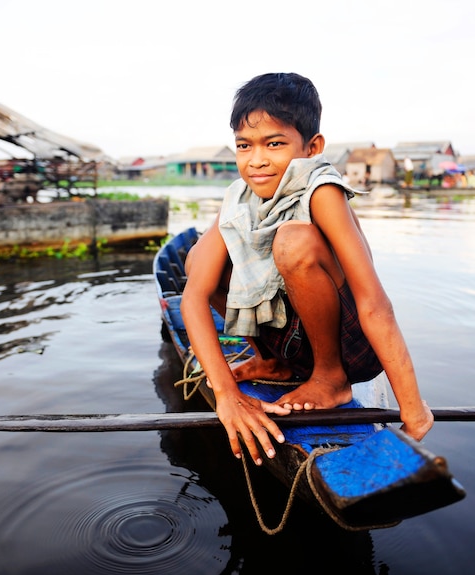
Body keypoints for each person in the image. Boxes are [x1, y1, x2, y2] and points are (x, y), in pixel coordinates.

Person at [180, 72, 433, 466]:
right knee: (198, 259)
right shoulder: (238, 199)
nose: (257, 159)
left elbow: (374, 304)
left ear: (312, 147)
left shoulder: (322, 190)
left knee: (293, 241)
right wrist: (228, 395)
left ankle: (329, 379)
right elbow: (193, 296)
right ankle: (275, 362)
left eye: (275, 143)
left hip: (348, 348)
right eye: (244, 146)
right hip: (293, 342)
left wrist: (413, 407)